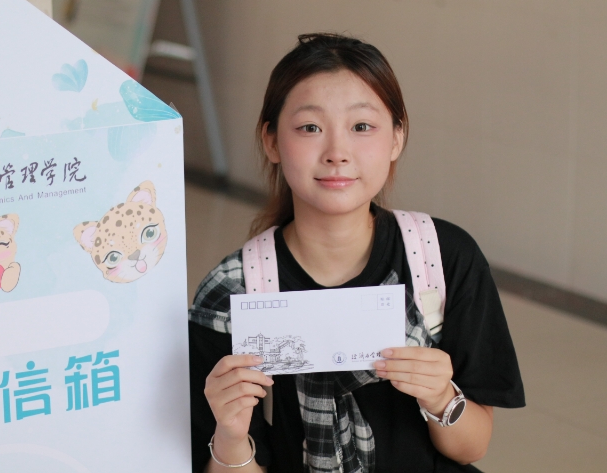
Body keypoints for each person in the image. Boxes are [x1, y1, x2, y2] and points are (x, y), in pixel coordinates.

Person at [188, 33, 525, 473]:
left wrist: (442, 397)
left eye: (361, 127)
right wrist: (231, 436)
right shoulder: (232, 291)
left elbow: (471, 447)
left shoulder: (442, 257)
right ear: (271, 141)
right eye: (310, 128)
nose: (337, 153)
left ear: (397, 138)